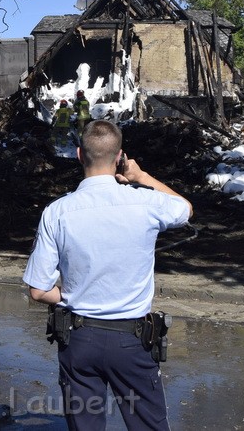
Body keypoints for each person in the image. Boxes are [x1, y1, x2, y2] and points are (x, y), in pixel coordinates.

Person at [24, 119, 192, 431]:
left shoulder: (57, 212)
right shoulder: (144, 202)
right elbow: (184, 208)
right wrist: (140, 176)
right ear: (119, 157)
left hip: (79, 339)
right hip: (132, 340)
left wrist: (71, 294)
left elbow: (37, 289)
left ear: (78, 155)